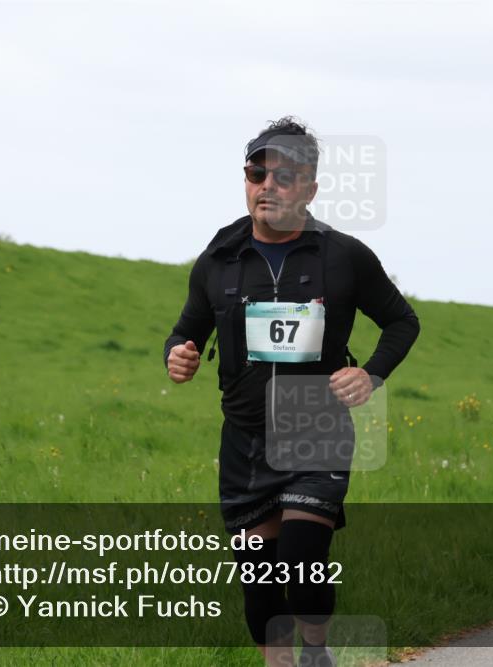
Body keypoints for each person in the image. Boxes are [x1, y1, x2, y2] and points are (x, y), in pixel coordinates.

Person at [163, 116, 420, 667]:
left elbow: (402, 322)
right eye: (257, 172)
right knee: (259, 585)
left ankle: (315, 649)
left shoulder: (343, 255)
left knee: (303, 565)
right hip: (246, 441)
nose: (268, 185)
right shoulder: (219, 257)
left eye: (284, 176)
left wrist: (370, 374)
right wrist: (178, 352)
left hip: (316, 431)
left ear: (310, 188)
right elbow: (189, 328)